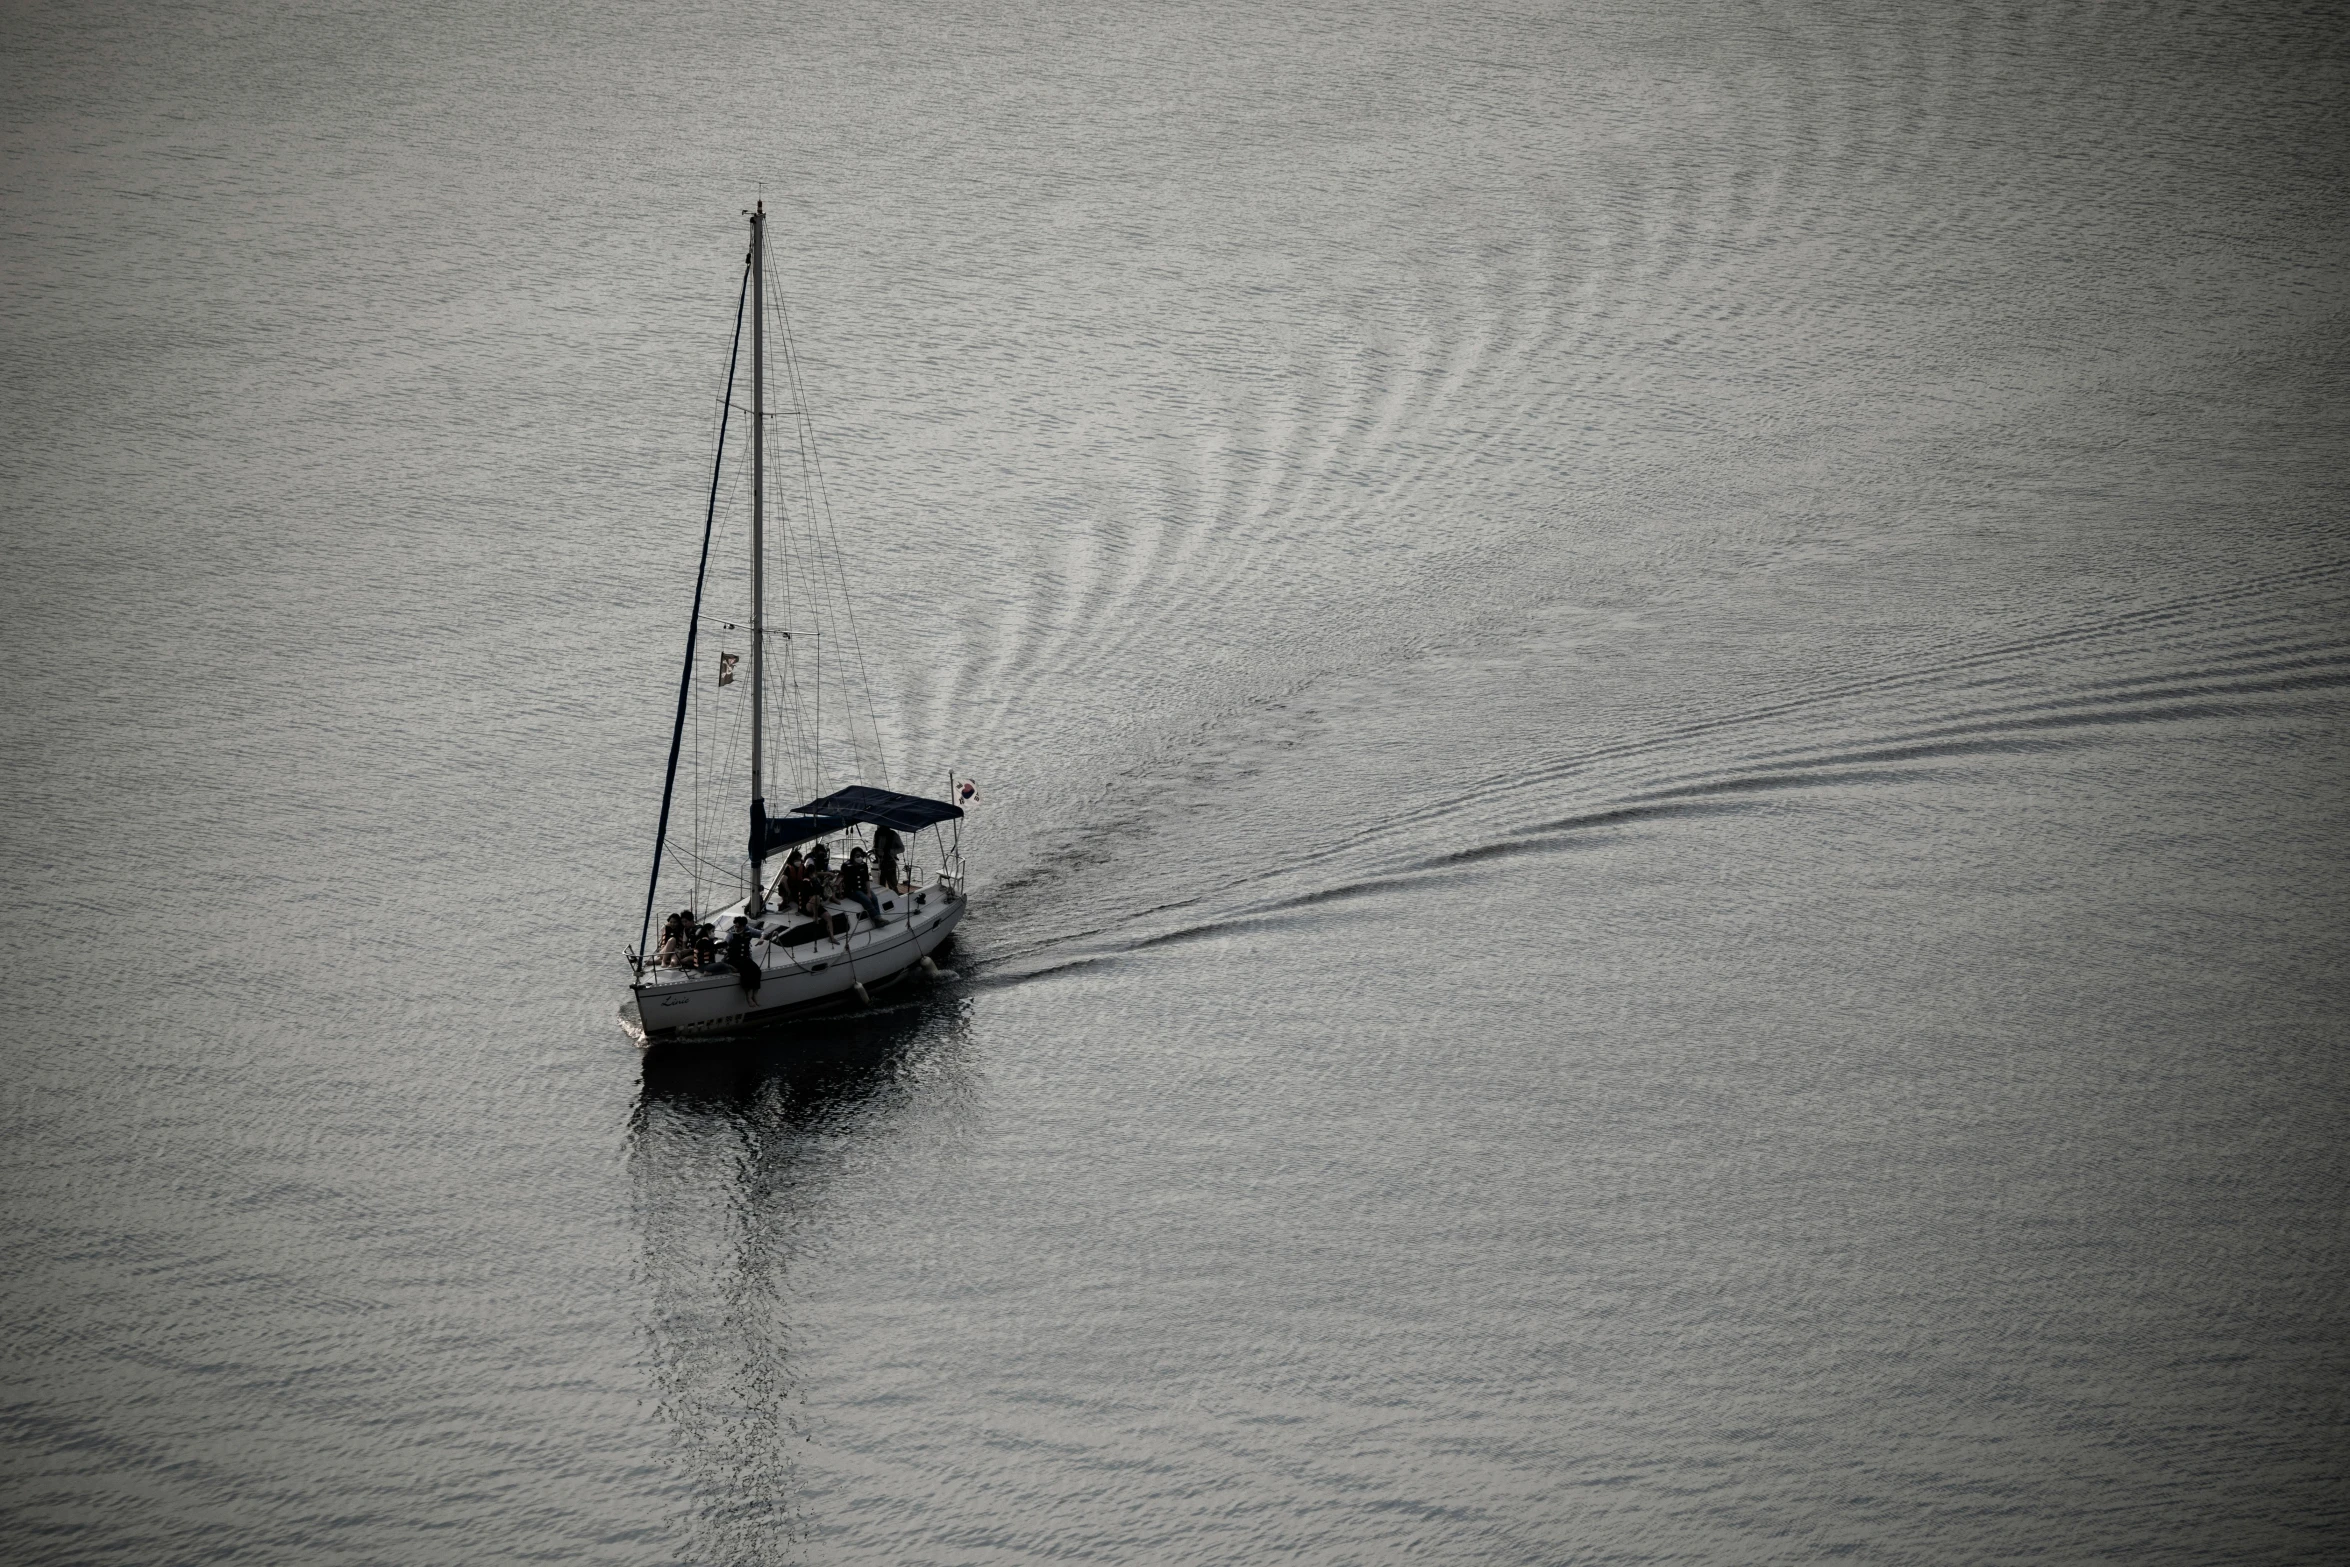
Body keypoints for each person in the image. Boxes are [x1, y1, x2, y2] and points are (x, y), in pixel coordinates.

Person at [840, 846, 885, 924]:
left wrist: (868, 892)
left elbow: (866, 879)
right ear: (853, 856)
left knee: (874, 898)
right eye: (857, 856)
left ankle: (878, 919)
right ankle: (877, 918)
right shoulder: (846, 866)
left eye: (860, 855)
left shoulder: (863, 865)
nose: (859, 857)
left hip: (863, 888)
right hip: (852, 891)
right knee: (866, 900)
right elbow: (841, 879)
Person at [724, 914, 760, 998]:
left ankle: (755, 993)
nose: (736, 929)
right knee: (745, 972)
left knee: (757, 970)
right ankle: (748, 996)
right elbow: (726, 942)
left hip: (745, 958)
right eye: (735, 927)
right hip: (734, 958)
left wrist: (762, 938)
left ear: (744, 926)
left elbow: (762, 932)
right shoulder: (732, 933)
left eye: (738, 927)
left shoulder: (748, 931)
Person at [873, 824, 904, 891]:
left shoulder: (893, 835)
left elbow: (902, 849)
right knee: (881, 883)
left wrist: (890, 851)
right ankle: (882, 897)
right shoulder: (877, 834)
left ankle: (895, 896)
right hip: (880, 862)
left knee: (892, 883)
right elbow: (875, 847)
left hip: (890, 862)